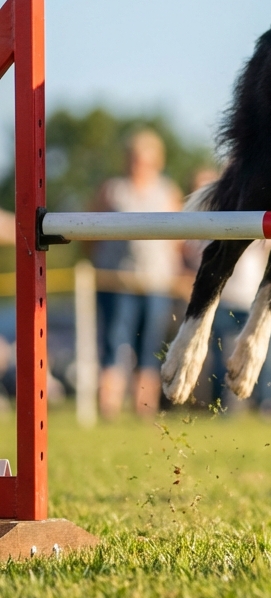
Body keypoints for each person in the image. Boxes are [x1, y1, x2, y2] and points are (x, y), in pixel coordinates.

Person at [92, 129, 182, 418]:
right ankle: (109, 410)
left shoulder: (168, 192)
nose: (138, 164)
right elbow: (87, 231)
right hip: (116, 281)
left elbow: (179, 241)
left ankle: (144, 412)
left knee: (150, 350)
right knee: (113, 347)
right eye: (134, 158)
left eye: (145, 159)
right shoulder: (112, 189)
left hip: (155, 284)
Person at [184, 168, 271, 415]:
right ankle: (225, 410)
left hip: (253, 301)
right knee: (220, 359)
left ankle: (268, 405)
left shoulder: (242, 215)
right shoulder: (195, 229)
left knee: (268, 357)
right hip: (222, 302)